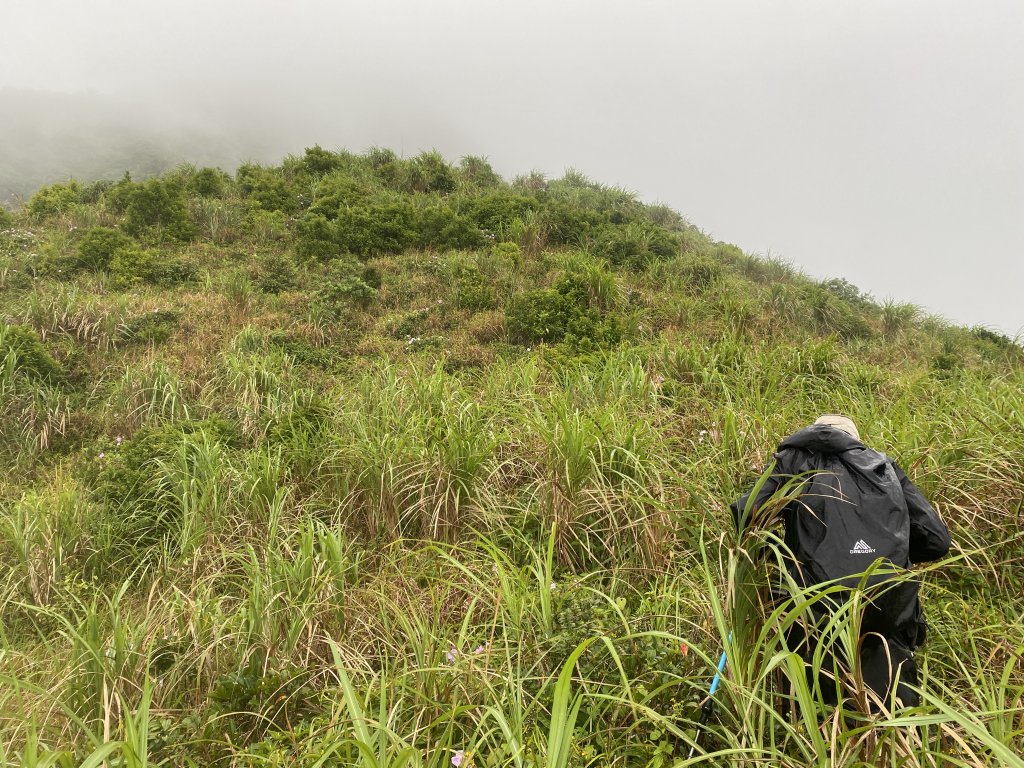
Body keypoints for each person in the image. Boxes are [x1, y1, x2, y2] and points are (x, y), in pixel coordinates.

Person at [731, 414, 951, 710]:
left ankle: (809, 740)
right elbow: (937, 541)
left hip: (814, 610)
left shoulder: (791, 462)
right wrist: (896, 555)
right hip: (887, 609)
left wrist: (775, 557)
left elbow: (746, 515)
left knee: (813, 699)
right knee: (892, 702)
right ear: (855, 442)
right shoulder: (885, 467)